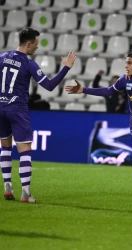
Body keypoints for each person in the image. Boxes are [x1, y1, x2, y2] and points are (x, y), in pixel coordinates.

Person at [65, 51, 132, 207]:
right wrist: (84, 90)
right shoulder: (125, 80)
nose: (126, 66)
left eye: (130, 63)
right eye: (126, 62)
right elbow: (108, 91)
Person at [0, 27, 76, 203]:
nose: (37, 47)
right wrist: (65, 68)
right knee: (24, 150)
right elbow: (49, 86)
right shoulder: (29, 63)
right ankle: (26, 193)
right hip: (17, 109)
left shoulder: (2, 57)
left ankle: (7, 187)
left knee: (4, 146)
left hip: (0, 107)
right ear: (28, 44)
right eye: (35, 44)